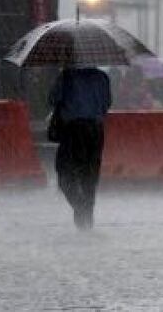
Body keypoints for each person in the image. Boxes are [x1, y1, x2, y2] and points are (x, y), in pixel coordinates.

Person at [48, 64, 112, 230]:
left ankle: (80, 208)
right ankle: (87, 220)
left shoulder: (67, 76)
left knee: (64, 174)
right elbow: (107, 104)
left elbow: (52, 100)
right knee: (89, 176)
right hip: (96, 131)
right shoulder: (102, 78)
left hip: (73, 129)